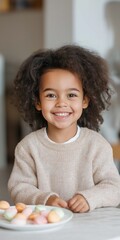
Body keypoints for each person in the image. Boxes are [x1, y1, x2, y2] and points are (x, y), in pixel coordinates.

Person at [8, 44, 120, 213]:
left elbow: (114, 188)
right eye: (51, 95)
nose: (61, 103)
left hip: (92, 230)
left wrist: (89, 198)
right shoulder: (28, 148)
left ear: (85, 100)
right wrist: (46, 199)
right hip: (46, 227)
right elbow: (19, 188)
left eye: (71, 95)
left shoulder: (97, 145)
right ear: (38, 102)